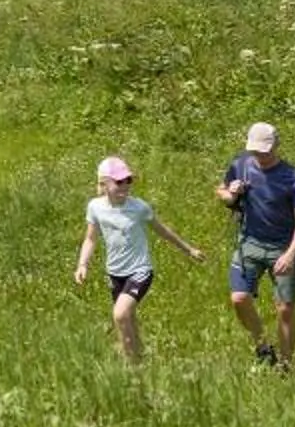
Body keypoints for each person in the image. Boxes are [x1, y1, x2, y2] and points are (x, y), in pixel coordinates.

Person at [73, 155, 204, 363]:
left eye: (128, 180)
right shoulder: (95, 207)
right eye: (118, 182)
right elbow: (90, 238)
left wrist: (189, 250)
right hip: (115, 272)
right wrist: (82, 265)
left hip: (140, 270)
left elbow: (163, 231)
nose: (125, 185)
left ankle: (131, 366)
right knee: (129, 319)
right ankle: (140, 356)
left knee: (120, 314)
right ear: (103, 184)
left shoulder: (139, 207)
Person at [216, 121, 295, 367]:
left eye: (265, 150)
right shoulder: (240, 165)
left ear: (276, 146)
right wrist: (232, 194)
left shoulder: (292, 177)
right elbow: (222, 193)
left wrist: (290, 254)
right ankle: (263, 346)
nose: (261, 156)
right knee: (238, 298)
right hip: (249, 243)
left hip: (282, 247)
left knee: (285, 308)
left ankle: (285, 365)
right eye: (256, 151)